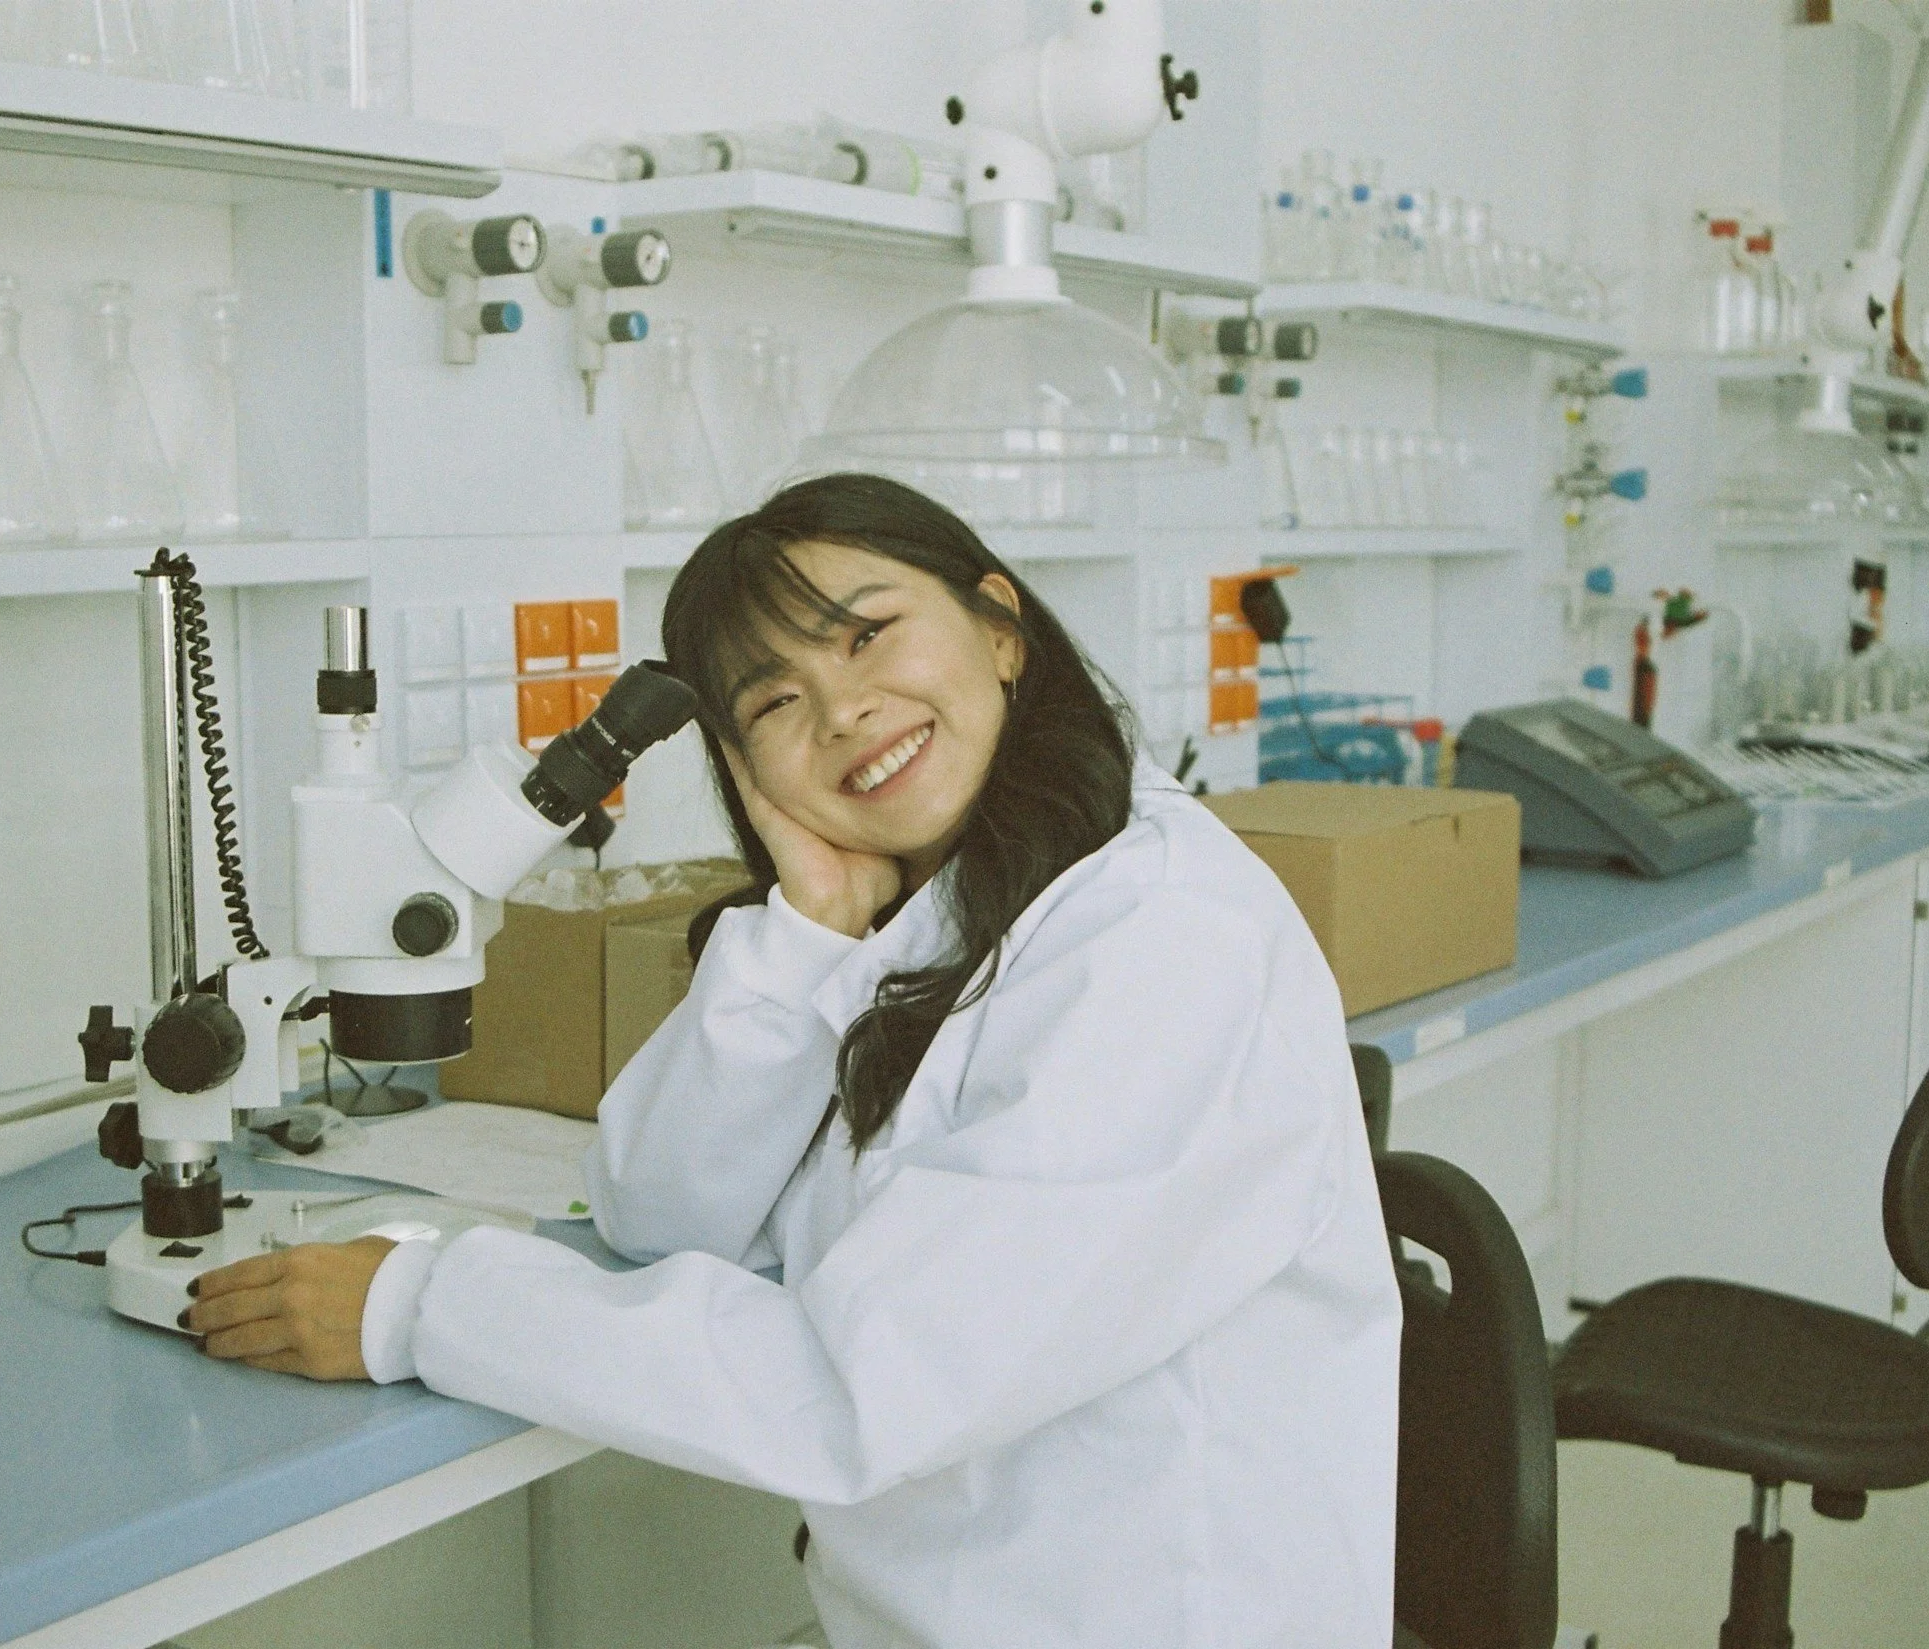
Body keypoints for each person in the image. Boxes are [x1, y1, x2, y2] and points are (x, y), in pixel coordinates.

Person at [187, 474, 1401, 1647]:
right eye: (773, 703)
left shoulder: (1158, 938)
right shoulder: (947, 912)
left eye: (870, 636)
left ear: (999, 627)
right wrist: (802, 936)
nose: (840, 712)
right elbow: (657, 1210)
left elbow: (853, 1388)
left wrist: (420, 1304)